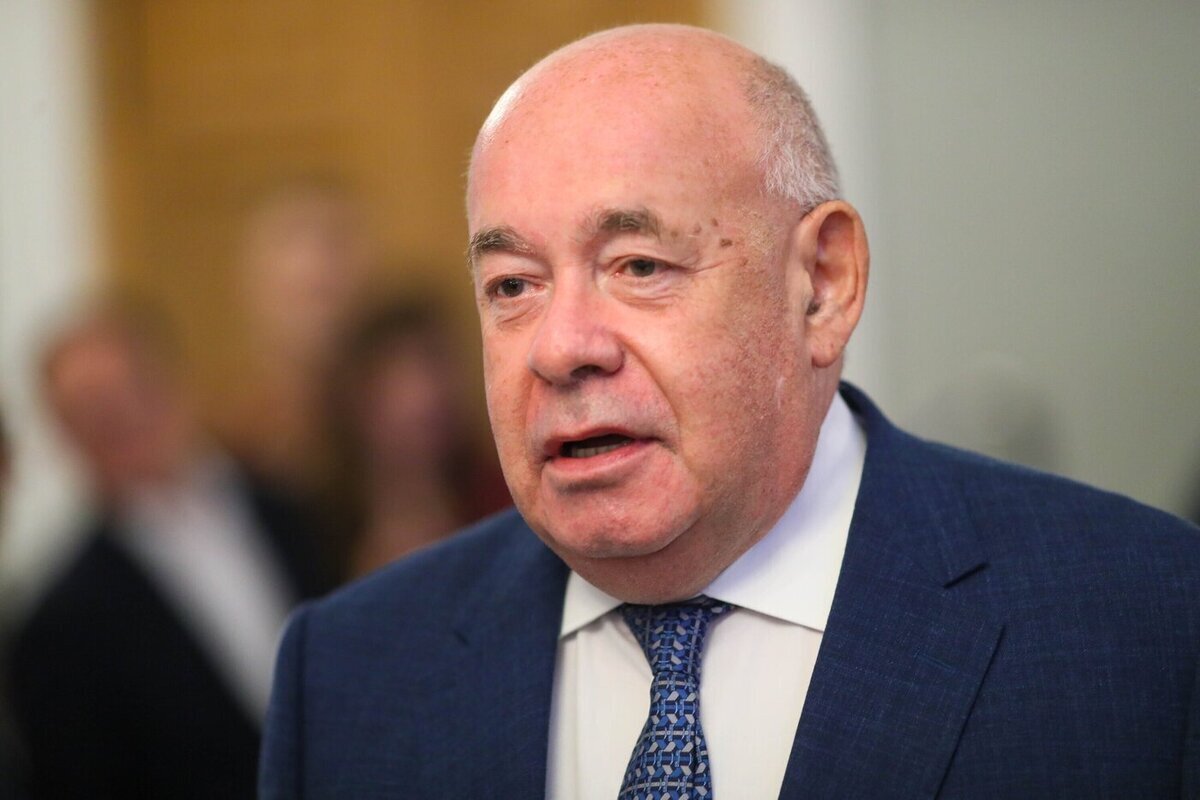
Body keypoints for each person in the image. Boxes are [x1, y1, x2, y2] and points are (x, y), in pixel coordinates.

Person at [259, 24, 1200, 799]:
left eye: (638, 266)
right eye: (513, 285)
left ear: (822, 284)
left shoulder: (1146, 624)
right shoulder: (348, 679)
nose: (559, 346)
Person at [8, 305, 331, 799]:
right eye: (93, 411)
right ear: (66, 436)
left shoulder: (295, 509)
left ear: (173, 378)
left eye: (132, 389)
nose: (122, 418)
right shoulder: (57, 627)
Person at [322, 295, 509, 578]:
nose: (424, 398)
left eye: (432, 369)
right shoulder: (318, 524)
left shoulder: (502, 499)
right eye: (399, 379)